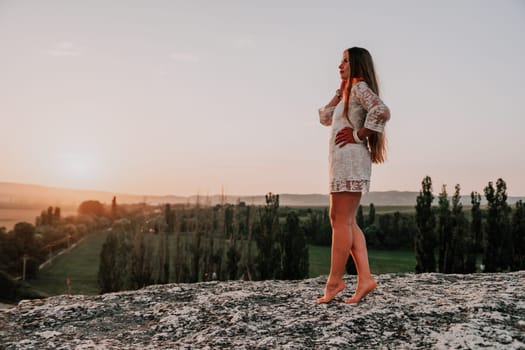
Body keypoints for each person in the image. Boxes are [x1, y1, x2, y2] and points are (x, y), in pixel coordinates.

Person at [316, 47, 390, 304]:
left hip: (350, 160)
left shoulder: (360, 88)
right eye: (340, 61)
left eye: (346, 61)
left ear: (357, 64)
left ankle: (334, 282)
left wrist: (358, 135)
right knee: (342, 219)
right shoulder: (349, 92)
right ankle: (366, 278)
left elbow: (381, 110)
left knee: (340, 220)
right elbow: (325, 117)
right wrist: (339, 91)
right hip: (341, 162)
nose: (340, 65)